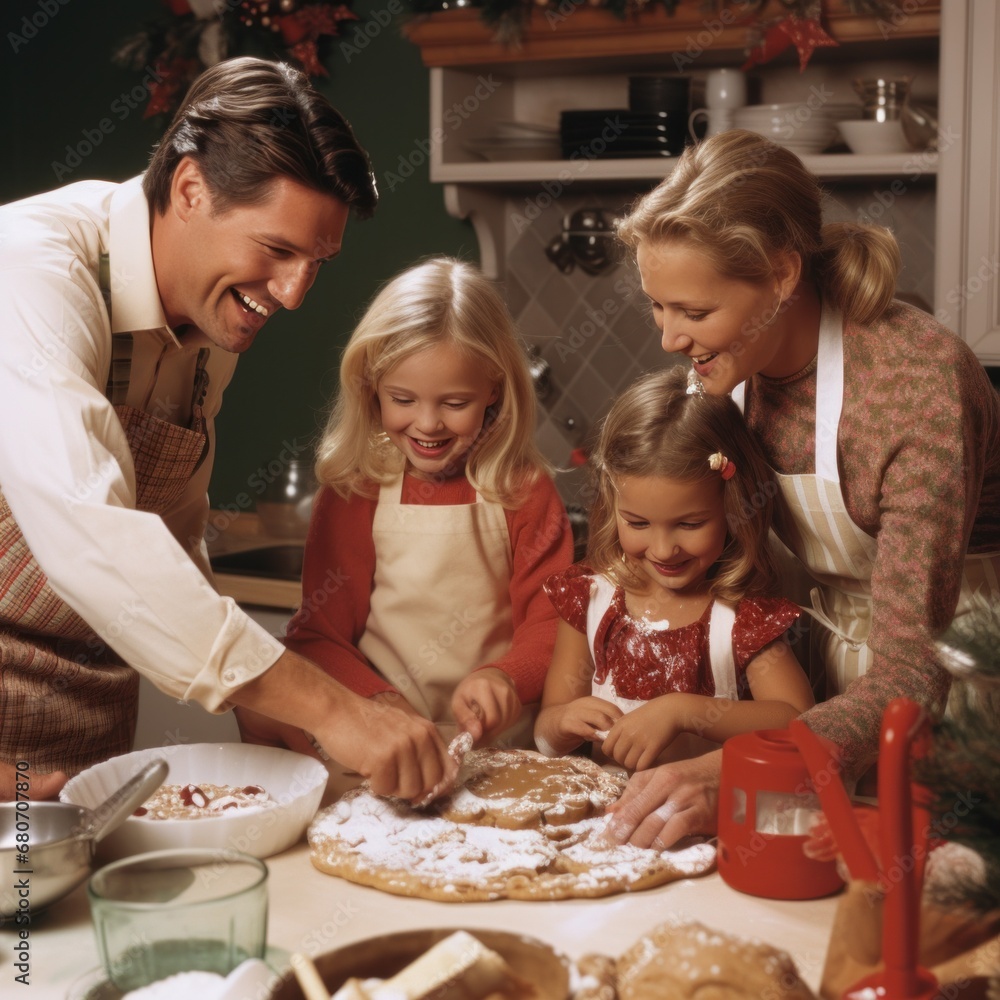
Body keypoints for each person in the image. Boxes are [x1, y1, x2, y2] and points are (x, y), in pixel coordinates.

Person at [0, 56, 457, 804]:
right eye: (277, 251)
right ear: (189, 189)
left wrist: (253, 696)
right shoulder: (31, 275)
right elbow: (92, 535)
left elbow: (171, 532)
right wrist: (333, 709)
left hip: (85, 729)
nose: (293, 293)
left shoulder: (212, 321)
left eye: (317, 262)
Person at [603, 128, 1000, 850]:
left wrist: (738, 765)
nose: (669, 339)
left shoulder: (916, 386)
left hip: (954, 696)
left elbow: (915, 669)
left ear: (782, 275)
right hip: (821, 684)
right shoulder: (728, 376)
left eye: (694, 313)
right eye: (659, 307)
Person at [282, 256, 574, 768]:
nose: (428, 423)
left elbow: (553, 623)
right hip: (378, 746)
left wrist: (506, 677)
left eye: (455, 402)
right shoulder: (357, 491)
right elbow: (319, 637)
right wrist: (382, 706)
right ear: (371, 388)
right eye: (403, 398)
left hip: (498, 754)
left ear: (495, 391)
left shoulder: (524, 490)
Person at [535, 366, 814, 772]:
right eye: (638, 523)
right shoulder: (589, 601)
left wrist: (683, 711)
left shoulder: (743, 618)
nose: (664, 549)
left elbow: (798, 722)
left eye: (690, 524)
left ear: (733, 508)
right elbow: (545, 735)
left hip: (702, 822)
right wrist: (561, 723)